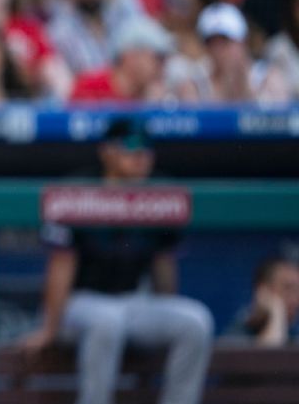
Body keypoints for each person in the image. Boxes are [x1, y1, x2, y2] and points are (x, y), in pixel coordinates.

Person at [21, 117, 214, 404]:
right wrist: (50, 328)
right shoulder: (78, 188)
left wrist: (162, 310)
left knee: (196, 322)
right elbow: (61, 265)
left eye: (145, 149)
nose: (140, 157)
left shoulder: (160, 190)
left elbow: (164, 265)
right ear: (107, 152)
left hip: (133, 302)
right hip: (79, 305)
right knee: (107, 320)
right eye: (130, 148)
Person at [226, 257, 299, 346]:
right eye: (288, 288)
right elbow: (270, 357)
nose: (295, 299)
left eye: (297, 291)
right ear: (263, 291)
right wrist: (277, 312)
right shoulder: (238, 334)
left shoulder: (294, 333)